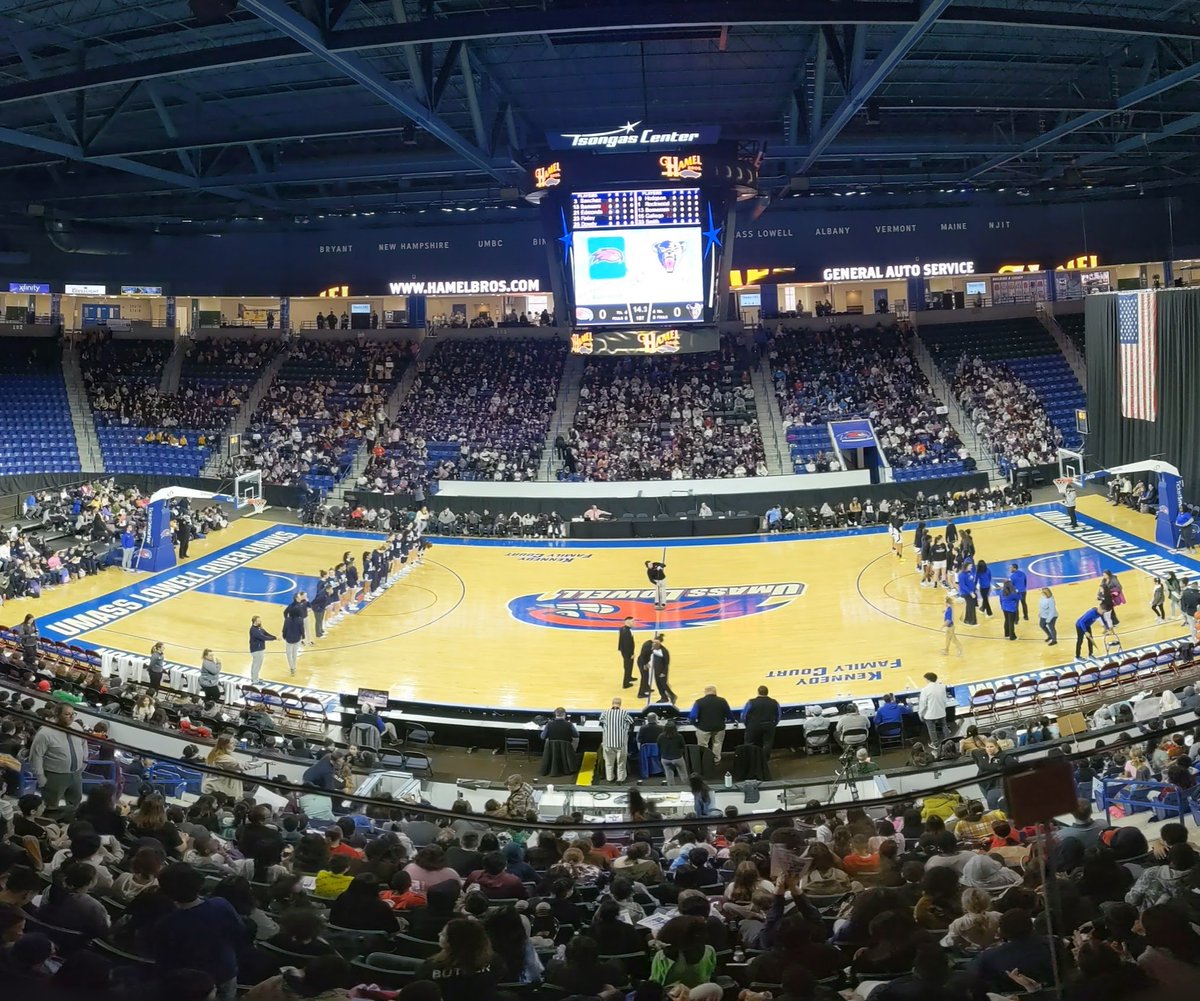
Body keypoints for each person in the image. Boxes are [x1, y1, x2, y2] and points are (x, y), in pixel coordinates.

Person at [150, 863, 250, 1001]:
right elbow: (240, 933)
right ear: (199, 882)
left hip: (191, 985)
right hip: (224, 972)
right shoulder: (221, 905)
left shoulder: (166, 924)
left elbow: (165, 961)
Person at [414, 917, 500, 1001]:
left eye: (443, 934)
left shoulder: (429, 967)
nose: (439, 934)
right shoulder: (494, 961)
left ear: (452, 941)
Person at [27, 702, 89, 818]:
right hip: (55, 775)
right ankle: (49, 827)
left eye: (73, 714)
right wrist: (40, 776)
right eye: (67, 714)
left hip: (76, 773)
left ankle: (67, 825)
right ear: (57, 714)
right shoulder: (45, 732)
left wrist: (84, 761)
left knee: (75, 803)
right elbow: (36, 756)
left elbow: (84, 743)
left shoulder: (76, 727)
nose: (71, 717)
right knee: (51, 806)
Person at [689, 686, 733, 759]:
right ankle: (716, 760)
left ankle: (704, 760)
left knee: (702, 746)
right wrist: (730, 720)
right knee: (717, 744)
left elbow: (693, 716)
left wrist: (696, 725)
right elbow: (729, 714)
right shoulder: (722, 701)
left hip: (703, 728)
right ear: (715, 692)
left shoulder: (699, 702)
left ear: (705, 692)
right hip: (719, 727)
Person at [599, 697, 633, 783]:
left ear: (612, 703)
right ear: (620, 704)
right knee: (621, 763)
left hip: (608, 743)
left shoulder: (605, 713)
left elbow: (601, 721)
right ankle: (620, 779)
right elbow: (631, 721)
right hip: (620, 743)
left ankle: (610, 778)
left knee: (608, 762)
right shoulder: (624, 713)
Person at [741, 685, 781, 756]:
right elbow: (779, 715)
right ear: (767, 693)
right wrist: (773, 724)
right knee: (767, 743)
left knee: (750, 743)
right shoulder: (774, 702)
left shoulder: (751, 702)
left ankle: (751, 759)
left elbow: (744, 715)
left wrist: (747, 725)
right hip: (769, 725)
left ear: (758, 692)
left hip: (753, 725)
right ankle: (764, 761)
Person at [918, 672, 949, 749]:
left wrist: (920, 714)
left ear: (927, 679)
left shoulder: (925, 690)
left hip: (930, 714)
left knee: (932, 730)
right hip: (941, 712)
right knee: (944, 726)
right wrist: (943, 709)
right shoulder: (942, 687)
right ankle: (949, 741)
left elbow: (923, 704)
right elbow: (944, 700)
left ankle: (935, 744)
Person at [282, 592, 307, 677]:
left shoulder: (288, 620)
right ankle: (294, 667)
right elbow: (302, 629)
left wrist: (284, 636)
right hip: (297, 638)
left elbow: (284, 629)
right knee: (294, 653)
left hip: (289, 638)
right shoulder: (299, 618)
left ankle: (292, 667)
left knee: (289, 654)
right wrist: (302, 636)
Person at [248, 615, 276, 684]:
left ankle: (254, 678)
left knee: (255, 664)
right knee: (257, 665)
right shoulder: (254, 630)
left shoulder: (259, 628)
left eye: (260, 620)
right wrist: (273, 638)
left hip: (258, 649)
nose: (260, 621)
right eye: (258, 621)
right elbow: (263, 637)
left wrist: (274, 637)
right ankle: (255, 680)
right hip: (257, 650)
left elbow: (265, 633)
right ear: (254, 622)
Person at [658, 721, 687, 785]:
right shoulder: (679, 736)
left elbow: (659, 746)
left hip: (665, 759)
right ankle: (686, 787)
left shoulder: (660, 736)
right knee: (683, 774)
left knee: (669, 774)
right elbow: (683, 747)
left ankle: (671, 789)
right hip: (677, 758)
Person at [618, 615, 636, 689]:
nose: (634, 622)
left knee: (630, 664)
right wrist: (631, 653)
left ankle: (629, 677)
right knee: (628, 666)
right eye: (632, 621)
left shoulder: (622, 629)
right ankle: (625, 684)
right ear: (628, 622)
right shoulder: (626, 631)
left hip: (624, 651)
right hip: (627, 652)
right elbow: (627, 644)